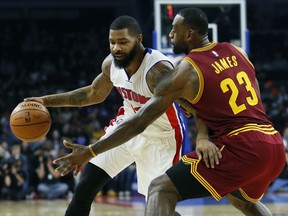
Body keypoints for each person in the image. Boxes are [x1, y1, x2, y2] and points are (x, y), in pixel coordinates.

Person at [52, 8, 286, 216]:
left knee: (160, 189)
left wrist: (91, 150)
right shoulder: (237, 52)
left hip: (237, 146)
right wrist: (204, 137)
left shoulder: (184, 70)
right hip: (272, 144)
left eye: (174, 29)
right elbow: (247, 102)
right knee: (243, 201)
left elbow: (140, 122)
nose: (170, 34)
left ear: (190, 34)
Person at [25, 15, 190, 216]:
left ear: (139, 39)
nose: (116, 48)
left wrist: (91, 151)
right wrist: (45, 101)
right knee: (84, 190)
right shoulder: (111, 64)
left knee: (159, 209)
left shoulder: (157, 70)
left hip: (161, 138)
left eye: (123, 42)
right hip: (127, 126)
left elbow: (141, 124)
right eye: (112, 42)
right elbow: (92, 93)